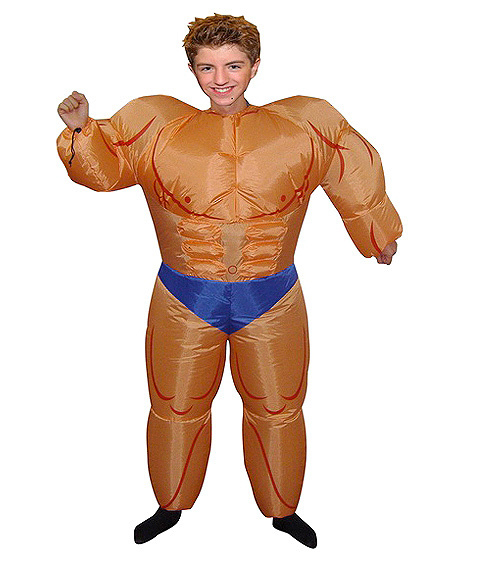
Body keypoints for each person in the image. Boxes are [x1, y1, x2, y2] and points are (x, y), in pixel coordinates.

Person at [56, 14, 402, 549]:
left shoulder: (304, 124)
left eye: (233, 66)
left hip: (271, 294)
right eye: (207, 67)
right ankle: (170, 505)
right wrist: (81, 130)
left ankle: (283, 511)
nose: (221, 79)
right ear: (192, 70)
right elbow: (106, 169)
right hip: (185, 294)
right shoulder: (156, 125)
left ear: (255, 66)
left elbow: (351, 165)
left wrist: (377, 234)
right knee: (174, 405)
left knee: (279, 407)